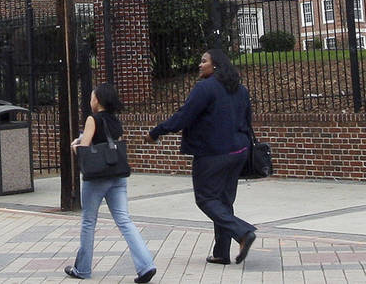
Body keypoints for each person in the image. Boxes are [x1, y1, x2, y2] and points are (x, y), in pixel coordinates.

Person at [147, 48, 258, 266]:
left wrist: (157, 131)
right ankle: (221, 253)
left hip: (213, 154)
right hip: (239, 152)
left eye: (203, 61)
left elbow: (184, 116)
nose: (200, 65)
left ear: (215, 65)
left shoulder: (205, 87)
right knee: (223, 202)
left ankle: (243, 232)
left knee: (206, 199)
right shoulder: (240, 89)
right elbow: (248, 119)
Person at [65, 83, 157, 283]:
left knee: (89, 221)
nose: (90, 101)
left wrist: (75, 146)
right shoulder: (116, 121)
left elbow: (85, 149)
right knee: (125, 220)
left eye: (91, 97)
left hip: (96, 178)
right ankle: (146, 265)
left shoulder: (93, 119)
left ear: (97, 100)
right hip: (118, 176)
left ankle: (83, 269)